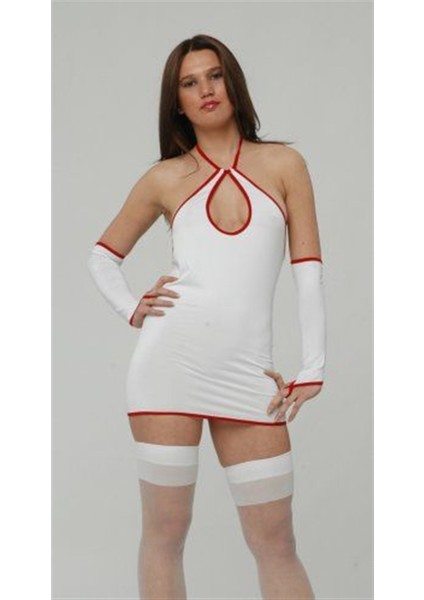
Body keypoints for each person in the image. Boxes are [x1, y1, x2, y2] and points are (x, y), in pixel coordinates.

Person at [87, 34, 326, 600]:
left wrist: (313, 366)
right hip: (167, 370)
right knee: (165, 534)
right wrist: (132, 308)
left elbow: (308, 269)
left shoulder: (284, 164)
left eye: (214, 75)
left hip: (247, 375)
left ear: (232, 81)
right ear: (177, 102)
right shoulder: (166, 178)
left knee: (276, 542)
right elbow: (101, 256)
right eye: (189, 83)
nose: (205, 90)